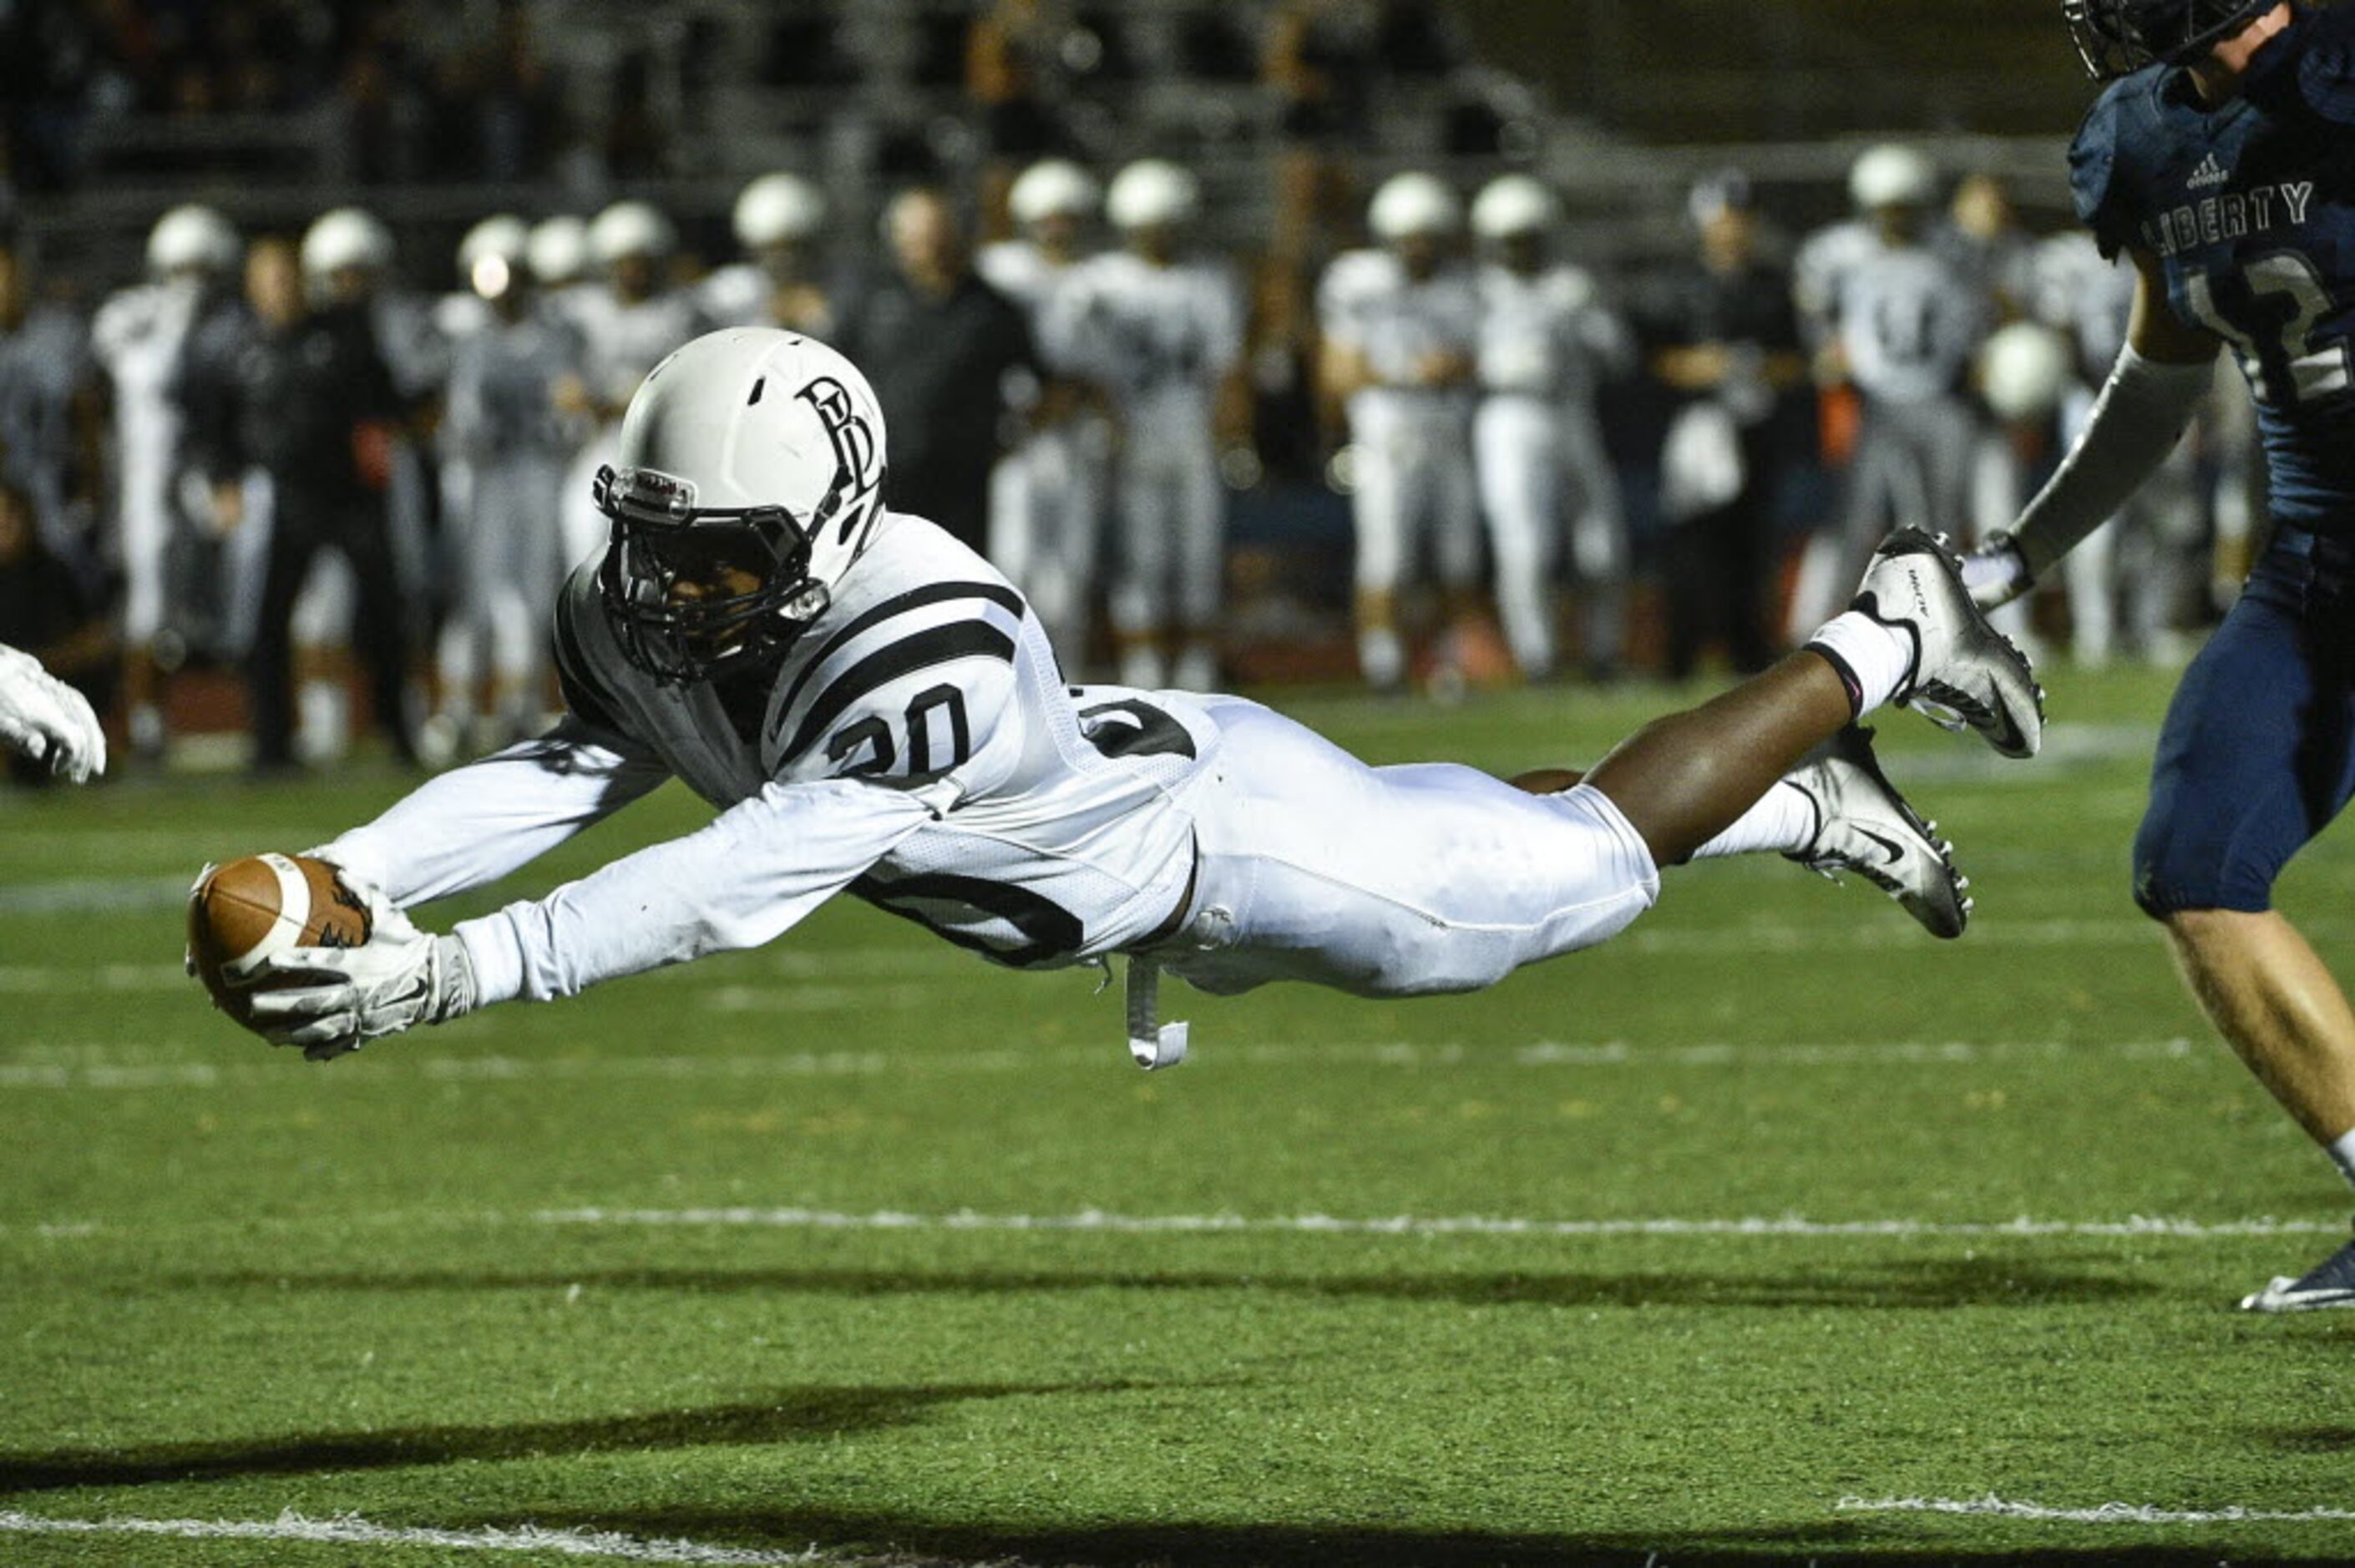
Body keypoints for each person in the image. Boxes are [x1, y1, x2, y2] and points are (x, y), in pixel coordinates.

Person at [207, 329, 2041, 1085]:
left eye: (721, 556)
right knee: (1479, 824)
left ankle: (1881, 638)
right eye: (659, 545)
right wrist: (356, 864)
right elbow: (574, 762)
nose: (672, 593)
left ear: (831, 526)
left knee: (1554, 879)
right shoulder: (655, 598)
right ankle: (1812, 794)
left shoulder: (913, 638)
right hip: (1144, 800)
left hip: (1232, 853)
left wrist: (465, 969)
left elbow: (734, 878)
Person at [1966, 0, 2355, 1310]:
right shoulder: (2144, 137)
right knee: (2195, 863)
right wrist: (2020, 556)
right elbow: (2160, 375)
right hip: (2320, 574)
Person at [192, 236, 415, 772]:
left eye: (287, 276)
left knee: (384, 614)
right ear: (252, 287)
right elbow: (216, 429)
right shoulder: (239, 350)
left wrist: (385, 450)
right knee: (265, 623)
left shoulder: (342, 335)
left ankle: (399, 733)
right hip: (285, 501)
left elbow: (383, 404)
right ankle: (271, 743)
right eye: (269, 279)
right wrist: (225, 483)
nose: (281, 289)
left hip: (352, 498)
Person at [1051, 159, 1246, 690]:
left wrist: (1230, 432)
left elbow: (1226, 370)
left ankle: (1196, 674)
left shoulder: (1207, 281)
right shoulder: (1098, 284)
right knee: (1142, 565)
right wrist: (1106, 419)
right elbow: (1081, 369)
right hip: (1132, 436)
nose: (1156, 236)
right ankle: (1145, 675)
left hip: (1191, 433)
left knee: (1197, 562)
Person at [1638, 171, 1811, 681]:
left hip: (1754, 425)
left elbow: (1796, 362)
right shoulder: (1676, 284)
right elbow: (1651, 360)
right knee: (1692, 543)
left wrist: (1756, 369)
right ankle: (1681, 654)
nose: (1733, 229)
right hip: (1695, 428)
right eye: (1724, 218)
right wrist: (1702, 366)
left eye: (1741, 218)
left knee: (1751, 543)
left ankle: (1747, 651)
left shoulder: (1771, 285)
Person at [1318, 172, 1482, 691]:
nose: (1418, 247)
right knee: (1385, 555)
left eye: (1427, 236)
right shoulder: (1357, 281)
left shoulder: (1464, 288)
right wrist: (1415, 371)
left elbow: (1483, 360)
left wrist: (1455, 366)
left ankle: (1451, 664)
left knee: (1458, 557)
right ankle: (1382, 667)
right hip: (1386, 434)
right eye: (1408, 237)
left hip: (1447, 432)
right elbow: (1338, 371)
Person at [1468, 173, 1633, 684]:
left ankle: (1604, 652)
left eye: (1529, 237)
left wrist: (1585, 331)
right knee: (1525, 547)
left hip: (1570, 412)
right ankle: (1537, 657)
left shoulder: (1571, 287)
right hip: (1508, 417)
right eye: (1511, 239)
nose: (1521, 250)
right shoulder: (1475, 292)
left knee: (1603, 545)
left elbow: (1619, 356)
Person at [834, 189, 1036, 556]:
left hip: (964, 480)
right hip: (883, 479)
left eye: (936, 235)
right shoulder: (868, 303)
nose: (928, 247)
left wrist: (1015, 434)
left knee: (959, 578)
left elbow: (1040, 378)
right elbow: (832, 371)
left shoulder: (990, 308)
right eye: (915, 237)